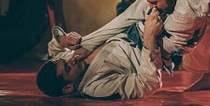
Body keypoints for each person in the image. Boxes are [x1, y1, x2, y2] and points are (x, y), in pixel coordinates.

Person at [36, 8, 169, 99]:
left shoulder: (64, 61)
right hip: (145, 41)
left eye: (65, 61)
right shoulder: (95, 88)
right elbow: (147, 84)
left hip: (124, 28)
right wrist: (149, 39)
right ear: (68, 88)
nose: (71, 60)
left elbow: (53, 49)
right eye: (68, 68)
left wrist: (63, 40)